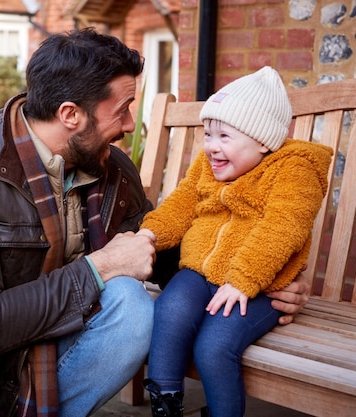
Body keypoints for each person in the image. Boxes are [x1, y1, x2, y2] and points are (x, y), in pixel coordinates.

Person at [0, 31, 310, 417]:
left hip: (37, 347)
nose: (131, 124)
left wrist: (257, 282)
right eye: (122, 110)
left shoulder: (110, 166)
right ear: (70, 114)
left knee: (132, 307)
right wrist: (100, 267)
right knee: (114, 280)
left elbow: (163, 253)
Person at [139, 66, 333, 417]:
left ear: (262, 140)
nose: (211, 147)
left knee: (215, 346)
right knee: (169, 311)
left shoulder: (295, 170)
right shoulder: (207, 165)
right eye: (208, 134)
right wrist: (148, 234)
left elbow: (283, 227)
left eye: (224, 136)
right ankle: (165, 405)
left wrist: (244, 278)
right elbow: (181, 204)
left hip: (258, 287)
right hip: (199, 272)